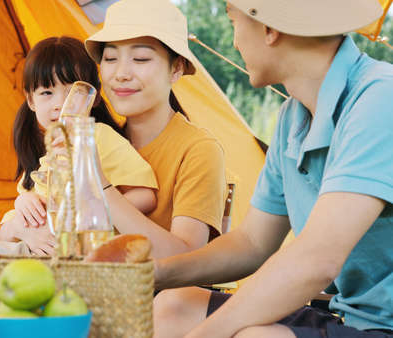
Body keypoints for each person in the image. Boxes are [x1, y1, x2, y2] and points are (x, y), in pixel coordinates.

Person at [152, 0, 393, 337]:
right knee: (172, 307)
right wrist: (155, 273)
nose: (235, 41)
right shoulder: (292, 118)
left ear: (269, 28)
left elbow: (317, 259)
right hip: (348, 320)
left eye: (233, 21)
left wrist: (206, 334)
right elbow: (252, 242)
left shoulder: (380, 98)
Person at [0, 36, 159, 289]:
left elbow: (146, 195)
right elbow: (5, 235)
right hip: (28, 249)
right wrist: (22, 208)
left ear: (94, 98)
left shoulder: (98, 137)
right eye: (47, 93)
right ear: (31, 101)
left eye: (71, 93)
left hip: (67, 259)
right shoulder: (44, 157)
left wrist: (82, 214)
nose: (60, 105)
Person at [84, 0, 227, 260]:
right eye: (110, 58)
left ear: (176, 69)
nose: (121, 73)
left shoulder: (198, 150)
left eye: (140, 58)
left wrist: (102, 186)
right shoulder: (101, 140)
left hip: (159, 297)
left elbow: (187, 258)